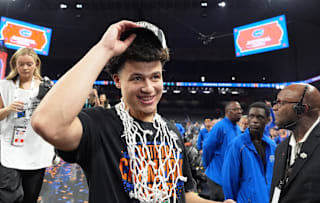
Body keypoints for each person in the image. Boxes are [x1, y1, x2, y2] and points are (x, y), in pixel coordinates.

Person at [31, 20, 235, 203]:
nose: (148, 87)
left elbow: (182, 195)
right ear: (117, 81)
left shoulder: (172, 133)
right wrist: (104, 48)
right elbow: (47, 123)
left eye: (155, 77)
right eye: (137, 78)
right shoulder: (99, 126)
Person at [0, 47, 54, 203]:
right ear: (14, 65)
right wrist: (8, 109)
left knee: (30, 197)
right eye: (21, 64)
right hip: (8, 149)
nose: (25, 68)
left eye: (29, 64)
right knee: (9, 197)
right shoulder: (4, 86)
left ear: (36, 64)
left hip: (36, 150)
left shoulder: (46, 86)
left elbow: (52, 116)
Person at [222, 102, 276, 203]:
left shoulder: (272, 146)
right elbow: (229, 180)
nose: (254, 121)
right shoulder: (237, 145)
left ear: (268, 120)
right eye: (251, 116)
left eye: (259, 117)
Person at [202, 101, 242, 201]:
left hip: (230, 178)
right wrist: (207, 165)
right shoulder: (219, 126)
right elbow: (207, 146)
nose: (239, 112)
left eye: (240, 109)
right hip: (217, 177)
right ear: (228, 112)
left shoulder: (237, 128)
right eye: (235, 109)